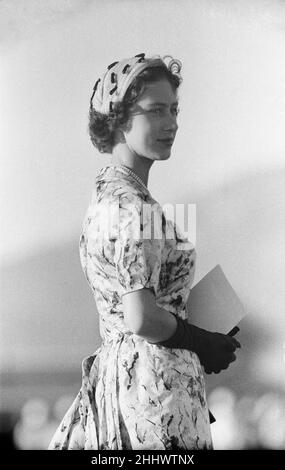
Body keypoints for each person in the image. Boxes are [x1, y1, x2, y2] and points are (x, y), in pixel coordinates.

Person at [48, 52, 240, 450]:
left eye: (173, 109)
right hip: (152, 397)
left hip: (144, 384)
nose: (171, 123)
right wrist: (201, 340)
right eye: (155, 111)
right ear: (118, 118)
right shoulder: (128, 205)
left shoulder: (118, 197)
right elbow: (140, 318)